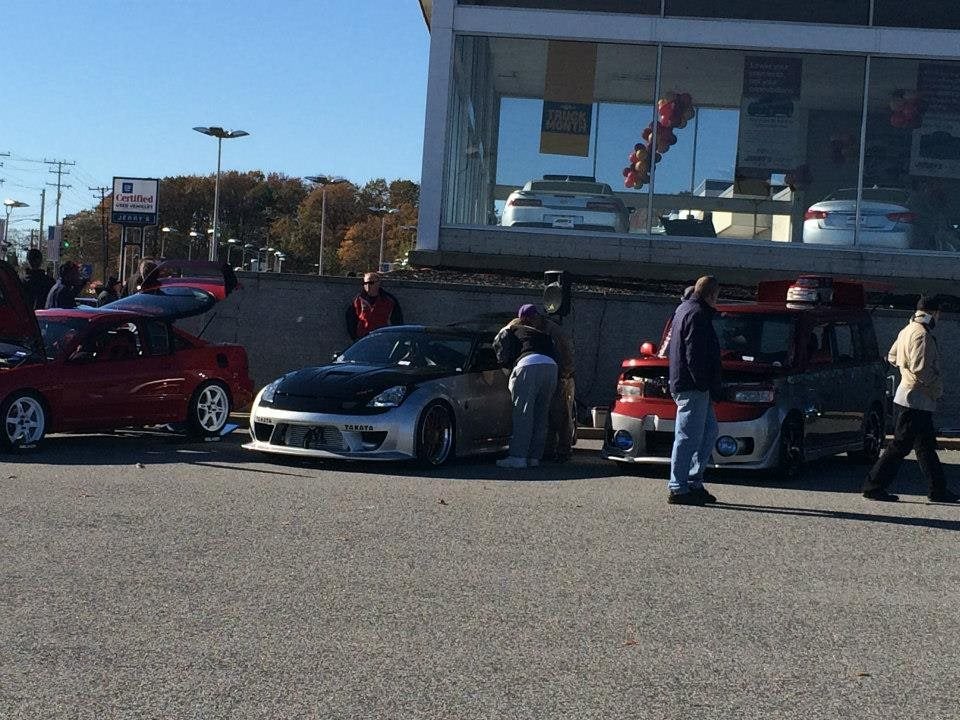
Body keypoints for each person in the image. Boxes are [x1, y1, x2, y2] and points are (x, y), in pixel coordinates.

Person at [862, 294, 959, 503]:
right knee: (900, 445)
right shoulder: (922, 334)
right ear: (933, 313)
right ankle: (874, 485)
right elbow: (921, 370)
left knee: (925, 446)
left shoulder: (907, 329)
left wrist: (905, 372)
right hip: (917, 398)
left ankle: (938, 489)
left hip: (909, 395)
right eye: (938, 313)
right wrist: (936, 387)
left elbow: (893, 356)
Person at [667, 275, 722, 505]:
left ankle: (692, 481)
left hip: (690, 384)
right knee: (689, 436)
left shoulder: (684, 310)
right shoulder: (698, 315)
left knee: (707, 432)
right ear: (711, 294)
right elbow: (695, 354)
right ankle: (679, 486)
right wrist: (703, 382)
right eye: (717, 296)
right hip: (693, 385)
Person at [493, 304, 558, 469]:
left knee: (523, 414)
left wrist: (506, 367)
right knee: (541, 415)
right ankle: (534, 457)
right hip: (551, 367)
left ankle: (518, 457)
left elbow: (499, 346)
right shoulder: (544, 334)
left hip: (529, 364)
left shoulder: (513, 328)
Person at [345, 272, 403, 341]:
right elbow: (351, 320)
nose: (368, 286)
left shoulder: (389, 300)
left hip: (383, 338)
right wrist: (355, 338)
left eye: (371, 283)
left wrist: (394, 338)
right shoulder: (358, 300)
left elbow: (397, 321)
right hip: (364, 339)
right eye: (365, 283)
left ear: (378, 283)